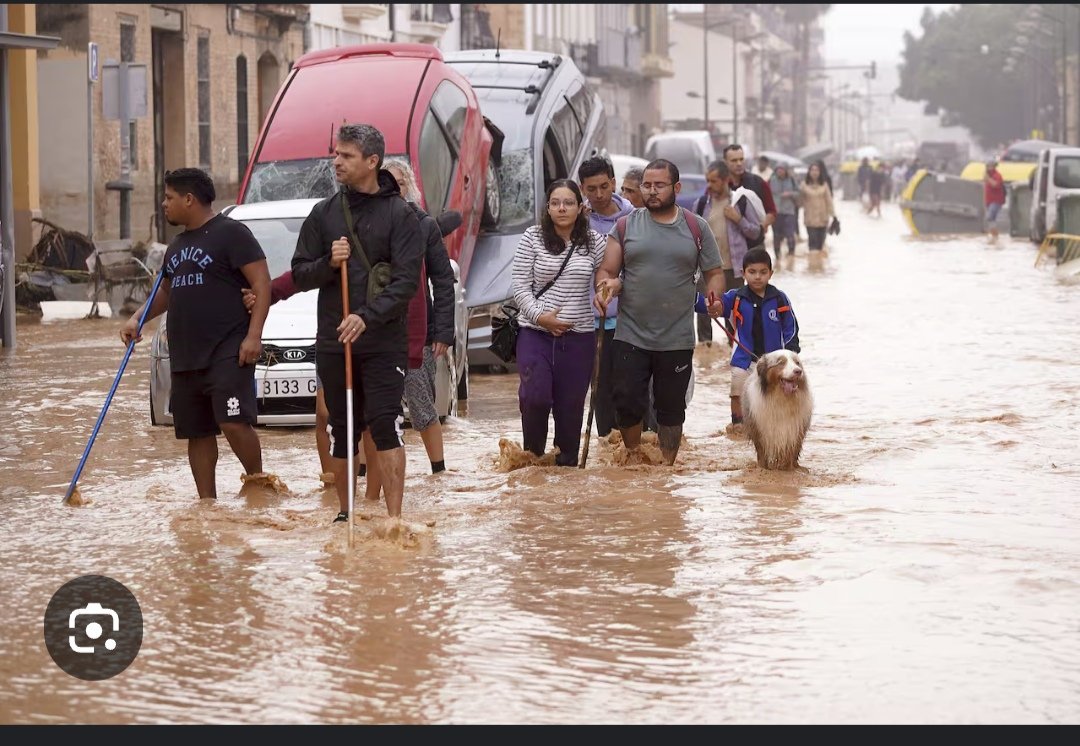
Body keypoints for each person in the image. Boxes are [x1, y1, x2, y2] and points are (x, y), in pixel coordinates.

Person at [291, 123, 422, 524]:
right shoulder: (323, 213)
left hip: (383, 341)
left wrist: (366, 317)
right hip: (335, 340)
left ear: (372, 161)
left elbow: (404, 284)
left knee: (385, 422)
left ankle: (394, 519)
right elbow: (299, 273)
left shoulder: (401, 215)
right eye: (335, 154)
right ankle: (345, 513)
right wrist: (328, 263)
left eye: (346, 156)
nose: (336, 162)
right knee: (341, 426)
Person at [120, 168, 271, 499]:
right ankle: (207, 504)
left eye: (169, 197)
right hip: (186, 354)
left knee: (233, 421)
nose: (164, 204)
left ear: (189, 199)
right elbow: (166, 291)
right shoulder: (177, 245)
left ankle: (260, 484)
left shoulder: (232, 233)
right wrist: (137, 318)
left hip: (228, 349)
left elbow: (262, 282)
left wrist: (254, 336)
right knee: (196, 432)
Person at [594, 159, 726, 466]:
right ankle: (633, 456)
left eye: (659, 185)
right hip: (631, 333)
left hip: (676, 337)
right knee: (626, 400)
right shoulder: (626, 226)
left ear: (676, 188)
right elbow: (608, 269)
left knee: (671, 408)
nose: (652, 192)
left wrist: (714, 296)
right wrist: (607, 287)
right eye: (647, 186)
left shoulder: (696, 227)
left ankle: (666, 467)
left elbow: (714, 272)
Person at [511, 179, 607, 466]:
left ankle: (565, 471)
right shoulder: (532, 237)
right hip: (535, 333)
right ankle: (533, 460)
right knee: (535, 397)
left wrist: (605, 290)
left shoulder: (595, 242)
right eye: (555, 203)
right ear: (548, 207)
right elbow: (519, 286)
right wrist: (541, 317)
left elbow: (608, 274)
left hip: (579, 339)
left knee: (571, 409)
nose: (561, 208)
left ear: (580, 208)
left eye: (568, 203)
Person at [701, 247, 800, 431]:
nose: (757, 277)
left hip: (774, 363)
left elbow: (791, 327)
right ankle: (738, 427)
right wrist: (710, 304)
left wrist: (791, 352)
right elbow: (717, 305)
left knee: (777, 394)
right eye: (752, 272)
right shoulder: (736, 297)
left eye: (763, 272)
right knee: (737, 391)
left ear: (771, 273)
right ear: (743, 273)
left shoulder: (780, 299)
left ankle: (776, 427)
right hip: (744, 360)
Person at [578, 156, 635, 438]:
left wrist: (618, 284)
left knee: (628, 389)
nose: (599, 195)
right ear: (582, 189)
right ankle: (607, 449)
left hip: (629, 321)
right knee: (599, 390)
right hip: (589, 322)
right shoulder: (577, 221)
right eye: (591, 189)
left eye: (604, 186)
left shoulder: (634, 219)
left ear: (613, 183)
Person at [694, 159, 761, 341]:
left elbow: (755, 231)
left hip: (734, 268)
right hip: (707, 268)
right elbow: (691, 235)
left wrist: (738, 219)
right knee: (703, 313)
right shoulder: (701, 204)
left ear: (725, 180)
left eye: (714, 180)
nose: (709, 185)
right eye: (707, 180)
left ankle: (734, 353)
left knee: (733, 314)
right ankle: (707, 354)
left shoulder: (740, 202)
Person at [724, 144, 776, 251]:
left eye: (741, 159)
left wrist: (763, 225)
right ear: (725, 162)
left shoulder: (758, 183)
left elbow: (772, 211)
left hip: (754, 245)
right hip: (729, 247)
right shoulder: (720, 186)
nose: (739, 163)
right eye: (734, 160)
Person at [800, 162, 835, 252]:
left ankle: (819, 265)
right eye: (812, 170)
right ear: (809, 172)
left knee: (820, 245)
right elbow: (799, 202)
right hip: (810, 219)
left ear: (820, 172)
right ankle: (812, 265)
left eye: (817, 170)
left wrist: (834, 216)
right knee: (812, 245)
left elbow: (829, 201)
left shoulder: (824, 185)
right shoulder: (804, 185)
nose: (814, 172)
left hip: (823, 219)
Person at [768, 163, 799, 258]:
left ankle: (791, 255)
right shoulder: (771, 180)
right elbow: (766, 193)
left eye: (782, 169)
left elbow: (798, 193)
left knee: (790, 234)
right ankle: (777, 256)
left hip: (789, 211)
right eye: (778, 169)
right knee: (776, 235)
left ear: (786, 171)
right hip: (776, 212)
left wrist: (790, 194)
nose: (780, 171)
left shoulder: (792, 180)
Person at [984, 158, 1006, 243]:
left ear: (994, 167)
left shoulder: (997, 175)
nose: (988, 168)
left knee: (990, 217)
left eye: (990, 166)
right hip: (989, 201)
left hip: (996, 201)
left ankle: (995, 236)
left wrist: (988, 179)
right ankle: (994, 236)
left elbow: (996, 185)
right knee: (991, 219)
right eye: (987, 166)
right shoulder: (988, 176)